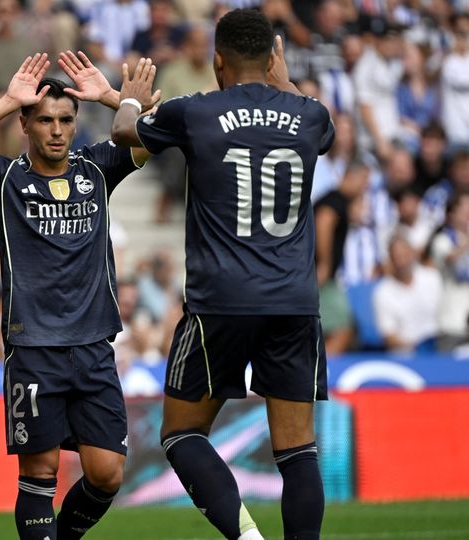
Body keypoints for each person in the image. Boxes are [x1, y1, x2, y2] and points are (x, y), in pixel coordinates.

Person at [111, 9, 335, 540]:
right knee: (298, 451)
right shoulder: (311, 114)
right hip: (293, 301)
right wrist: (285, 81)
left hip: (220, 301)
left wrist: (128, 100)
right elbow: (316, 126)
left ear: (217, 61)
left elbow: (123, 132)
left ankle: (248, 537)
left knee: (181, 434)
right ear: (273, 56)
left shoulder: (197, 111)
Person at [0, 51, 158, 539]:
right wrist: (6, 101)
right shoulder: (3, 181)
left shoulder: (97, 168)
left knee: (107, 475)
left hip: (94, 346)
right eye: (44, 120)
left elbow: (160, 132)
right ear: (25, 125)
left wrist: (112, 97)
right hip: (34, 349)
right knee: (40, 472)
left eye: (65, 120)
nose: (57, 130)